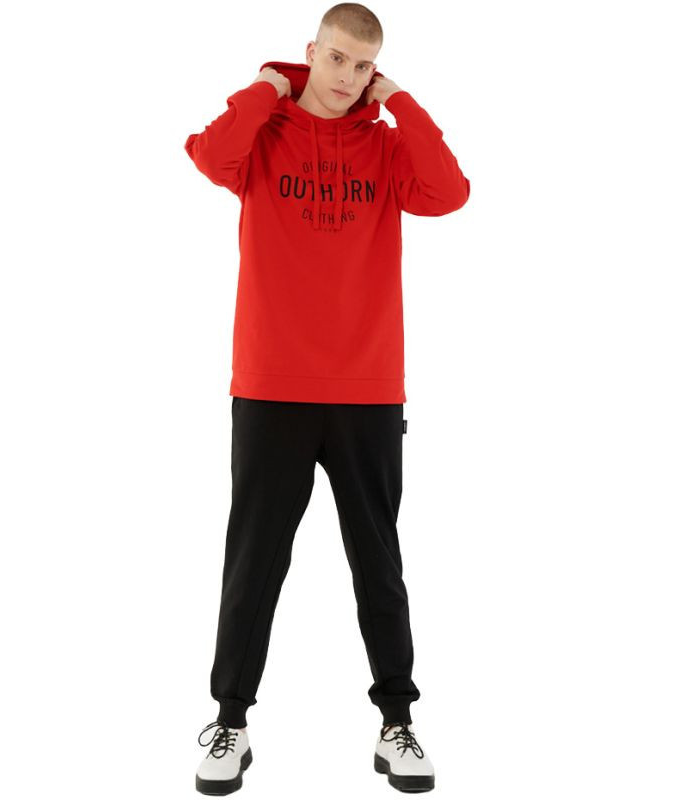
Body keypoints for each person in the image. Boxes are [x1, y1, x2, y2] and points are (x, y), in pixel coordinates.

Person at [184, 3, 470, 794]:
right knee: (254, 560)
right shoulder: (263, 135)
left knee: (378, 562)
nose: (347, 77)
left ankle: (397, 722)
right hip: (271, 383)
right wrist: (265, 88)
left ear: (376, 71)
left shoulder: (385, 147)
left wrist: (401, 102)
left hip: (367, 387)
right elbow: (210, 154)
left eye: (363, 65)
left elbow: (450, 192)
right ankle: (230, 723)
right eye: (336, 58)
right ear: (312, 52)